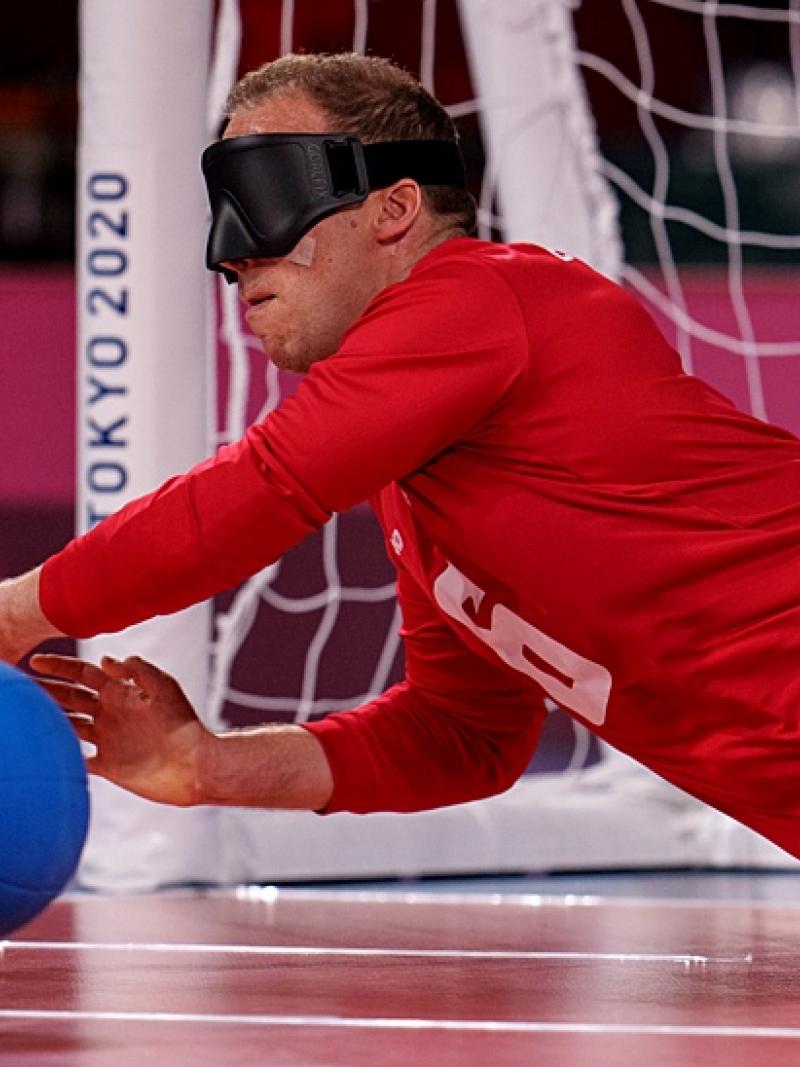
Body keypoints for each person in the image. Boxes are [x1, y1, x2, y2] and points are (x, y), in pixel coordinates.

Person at [3, 53, 800, 856]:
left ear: (395, 208)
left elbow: (259, 488)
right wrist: (205, 763)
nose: (233, 254)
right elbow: (463, 732)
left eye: (267, 193)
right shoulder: (421, 482)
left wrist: (16, 613)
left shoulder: (483, 295)